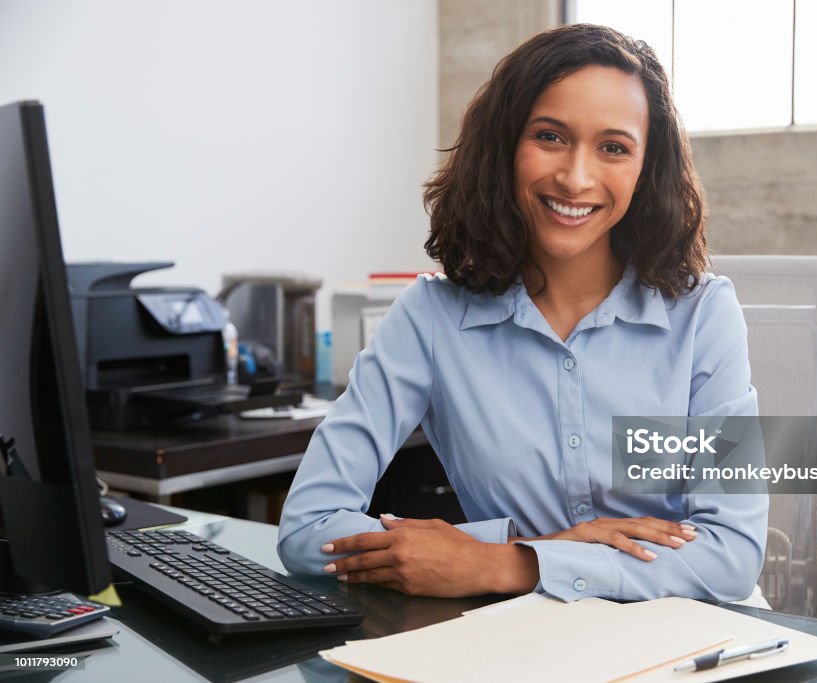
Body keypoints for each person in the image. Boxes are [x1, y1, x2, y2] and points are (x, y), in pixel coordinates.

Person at [277, 24, 767, 603]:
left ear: (645, 168)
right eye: (550, 136)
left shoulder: (703, 315)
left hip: (696, 640)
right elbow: (308, 530)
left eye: (614, 147)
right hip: (523, 643)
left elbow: (732, 556)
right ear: (505, 146)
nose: (576, 177)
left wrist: (512, 564)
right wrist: (547, 548)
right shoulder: (430, 317)